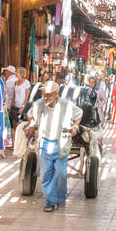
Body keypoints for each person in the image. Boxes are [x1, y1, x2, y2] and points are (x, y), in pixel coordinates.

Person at [25, 81, 83, 212]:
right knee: (46, 174)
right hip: (45, 143)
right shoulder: (39, 104)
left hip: (61, 143)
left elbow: (79, 114)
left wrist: (75, 126)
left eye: (49, 95)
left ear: (56, 94)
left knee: (61, 173)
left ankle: (60, 196)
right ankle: (50, 201)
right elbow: (30, 115)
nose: (46, 98)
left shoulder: (66, 105)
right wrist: (32, 123)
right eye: (44, 95)